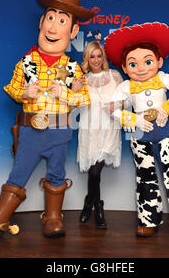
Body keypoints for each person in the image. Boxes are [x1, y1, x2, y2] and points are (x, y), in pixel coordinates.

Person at [0, 0, 95, 238]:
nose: (54, 27)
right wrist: (25, 93)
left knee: (57, 172)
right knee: (19, 172)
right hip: (30, 130)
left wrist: (65, 95)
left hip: (59, 129)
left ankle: (53, 218)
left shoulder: (71, 67)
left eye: (62, 21)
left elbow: (84, 99)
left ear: (73, 32)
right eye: (50, 18)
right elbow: (12, 89)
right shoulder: (25, 63)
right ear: (41, 22)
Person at [104, 22, 169, 241]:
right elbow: (111, 108)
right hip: (140, 137)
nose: (141, 68)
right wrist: (135, 119)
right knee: (145, 177)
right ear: (124, 67)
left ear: (159, 62)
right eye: (133, 64)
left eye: (148, 61)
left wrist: (166, 108)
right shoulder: (125, 87)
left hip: (166, 132)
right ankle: (148, 220)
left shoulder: (164, 78)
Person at [72, 40, 124, 229]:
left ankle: (89, 205)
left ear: (103, 57)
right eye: (91, 56)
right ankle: (97, 207)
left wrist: (116, 105)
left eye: (98, 55)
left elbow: (126, 100)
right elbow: (73, 106)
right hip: (89, 130)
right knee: (94, 173)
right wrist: (74, 92)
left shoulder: (114, 75)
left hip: (109, 128)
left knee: (95, 171)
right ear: (86, 58)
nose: (95, 59)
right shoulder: (82, 79)